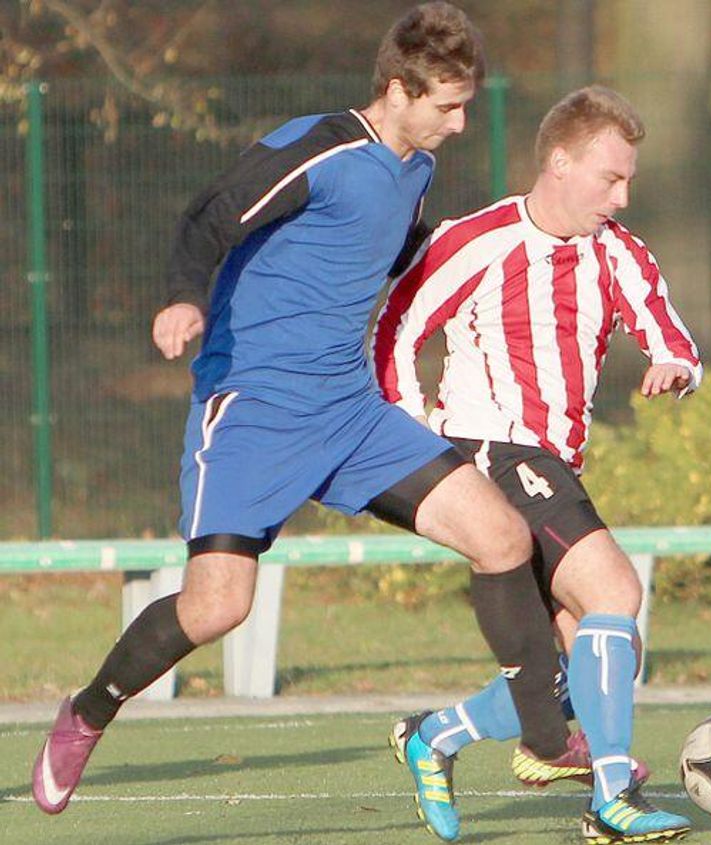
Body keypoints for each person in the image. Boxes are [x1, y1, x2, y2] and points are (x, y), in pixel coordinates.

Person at [32, 2, 568, 818]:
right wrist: (184, 299)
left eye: (466, 105)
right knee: (219, 605)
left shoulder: (416, 167)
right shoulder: (319, 150)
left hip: (350, 412)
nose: (460, 125)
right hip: (253, 411)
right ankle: (88, 710)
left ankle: (548, 737)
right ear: (398, 88)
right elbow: (210, 216)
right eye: (447, 106)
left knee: (501, 537)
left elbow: (386, 257)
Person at [373, 85, 699, 843]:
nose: (622, 195)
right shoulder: (476, 238)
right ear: (559, 161)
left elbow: (672, 337)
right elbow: (397, 330)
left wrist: (677, 368)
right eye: (609, 178)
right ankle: (612, 799)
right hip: (488, 449)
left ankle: (438, 733)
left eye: (629, 181)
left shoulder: (618, 252)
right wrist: (421, 438)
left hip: (553, 462)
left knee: (595, 651)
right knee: (616, 587)